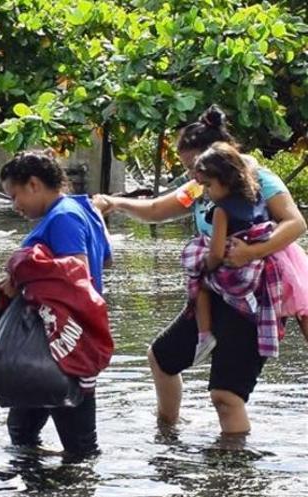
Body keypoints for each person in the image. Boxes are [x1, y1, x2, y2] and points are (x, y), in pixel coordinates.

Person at [94, 106, 307, 434]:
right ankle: (167, 432)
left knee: (226, 396)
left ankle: (232, 472)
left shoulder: (259, 178)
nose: (194, 181)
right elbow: (156, 209)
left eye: (195, 170)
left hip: (253, 292)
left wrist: (252, 251)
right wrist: (116, 202)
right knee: (162, 358)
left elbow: (295, 223)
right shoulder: (202, 184)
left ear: (219, 159)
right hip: (217, 286)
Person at [0, 150, 112, 456]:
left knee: (80, 448)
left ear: (33, 184)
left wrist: (22, 271)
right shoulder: (84, 208)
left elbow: (76, 272)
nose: (15, 205)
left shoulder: (63, 217)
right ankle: (49, 496)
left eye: (15, 195)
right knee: (23, 431)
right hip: (71, 336)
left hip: (63, 341)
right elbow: (105, 261)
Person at [185, 142, 272, 365]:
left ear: (225, 180)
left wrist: (203, 266)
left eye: (208, 185)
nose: (206, 191)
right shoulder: (257, 198)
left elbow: (215, 254)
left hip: (237, 275)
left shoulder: (221, 211)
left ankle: (204, 336)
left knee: (199, 284)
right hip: (259, 271)